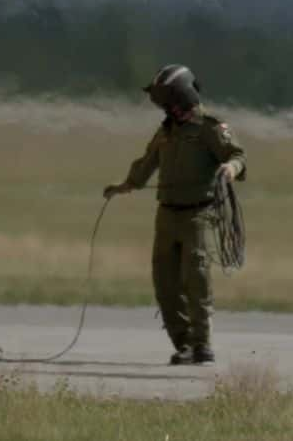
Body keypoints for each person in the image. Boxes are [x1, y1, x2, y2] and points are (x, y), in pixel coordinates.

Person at [104, 65, 246, 365]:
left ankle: (202, 344)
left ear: (182, 96)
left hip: (200, 215)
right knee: (165, 284)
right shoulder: (166, 131)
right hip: (166, 216)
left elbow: (237, 155)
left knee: (197, 280)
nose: (165, 108)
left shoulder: (209, 127)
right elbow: (147, 163)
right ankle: (183, 344)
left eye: (168, 101)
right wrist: (126, 185)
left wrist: (230, 169)